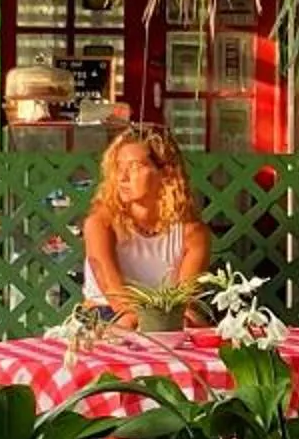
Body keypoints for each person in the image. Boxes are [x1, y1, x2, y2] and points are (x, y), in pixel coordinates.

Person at [84, 123, 213, 324]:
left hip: (167, 320)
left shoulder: (192, 234)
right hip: (106, 315)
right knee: (127, 322)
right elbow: (117, 298)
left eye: (135, 166)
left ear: (166, 173)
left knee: (191, 321)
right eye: (119, 167)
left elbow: (185, 302)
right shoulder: (101, 224)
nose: (123, 178)